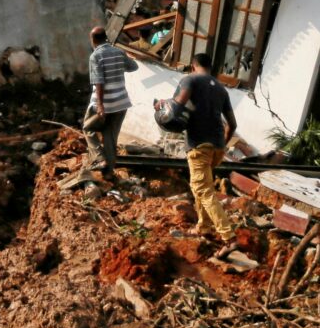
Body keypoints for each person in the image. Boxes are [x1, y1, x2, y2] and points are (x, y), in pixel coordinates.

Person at [156, 53, 238, 258]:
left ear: (193, 66)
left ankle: (229, 239)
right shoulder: (221, 89)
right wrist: (221, 146)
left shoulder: (189, 80)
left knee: (204, 190)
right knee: (200, 187)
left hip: (199, 144)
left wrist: (162, 106)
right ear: (210, 67)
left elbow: (176, 107)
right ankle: (203, 226)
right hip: (217, 146)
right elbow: (232, 125)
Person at [84, 26, 137, 175]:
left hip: (103, 104)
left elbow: (99, 82)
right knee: (110, 136)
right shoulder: (119, 52)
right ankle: (108, 173)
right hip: (121, 103)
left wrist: (100, 105)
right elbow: (133, 67)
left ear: (93, 40)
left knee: (88, 129)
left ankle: (99, 158)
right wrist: (118, 65)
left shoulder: (95, 56)